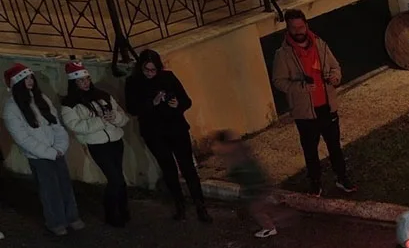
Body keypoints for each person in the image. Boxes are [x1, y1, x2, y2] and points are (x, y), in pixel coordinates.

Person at [271, 9, 355, 197]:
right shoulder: (283, 54)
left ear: (306, 25)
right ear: (288, 28)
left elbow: (335, 66)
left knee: (334, 146)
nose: (298, 31)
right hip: (305, 112)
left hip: (327, 106)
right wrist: (300, 87)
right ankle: (315, 183)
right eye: (294, 28)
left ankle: (342, 178)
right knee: (310, 150)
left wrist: (335, 77)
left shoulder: (320, 44)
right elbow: (278, 81)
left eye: (300, 26)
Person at [125, 49, 209, 222]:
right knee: (169, 170)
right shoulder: (133, 82)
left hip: (176, 129)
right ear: (140, 67)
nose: (150, 73)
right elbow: (132, 109)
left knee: (188, 168)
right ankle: (180, 205)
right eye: (146, 70)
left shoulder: (168, 77)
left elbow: (187, 101)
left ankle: (200, 205)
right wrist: (152, 103)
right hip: (154, 133)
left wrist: (177, 104)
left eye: (153, 70)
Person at [4, 63, 82, 235]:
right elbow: (22, 137)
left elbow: (55, 123)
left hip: (56, 150)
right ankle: (56, 221)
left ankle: (72, 217)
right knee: (49, 188)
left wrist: (60, 146)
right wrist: (48, 152)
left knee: (64, 185)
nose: (30, 81)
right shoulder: (12, 108)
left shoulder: (41, 98)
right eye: (26, 79)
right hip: (39, 156)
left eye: (31, 77)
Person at [59, 61, 129, 228]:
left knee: (119, 178)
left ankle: (123, 209)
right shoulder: (69, 104)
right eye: (81, 80)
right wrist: (100, 121)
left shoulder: (102, 95)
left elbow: (122, 116)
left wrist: (115, 118)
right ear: (73, 82)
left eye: (87, 79)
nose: (85, 83)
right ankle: (111, 213)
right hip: (98, 145)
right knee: (115, 179)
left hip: (115, 141)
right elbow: (77, 126)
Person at [211, 130, 278, 238]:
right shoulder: (236, 150)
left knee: (256, 209)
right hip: (253, 185)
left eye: (217, 144)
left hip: (254, 185)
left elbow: (242, 172)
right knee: (256, 207)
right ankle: (269, 218)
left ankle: (270, 228)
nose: (215, 148)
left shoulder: (235, 154)